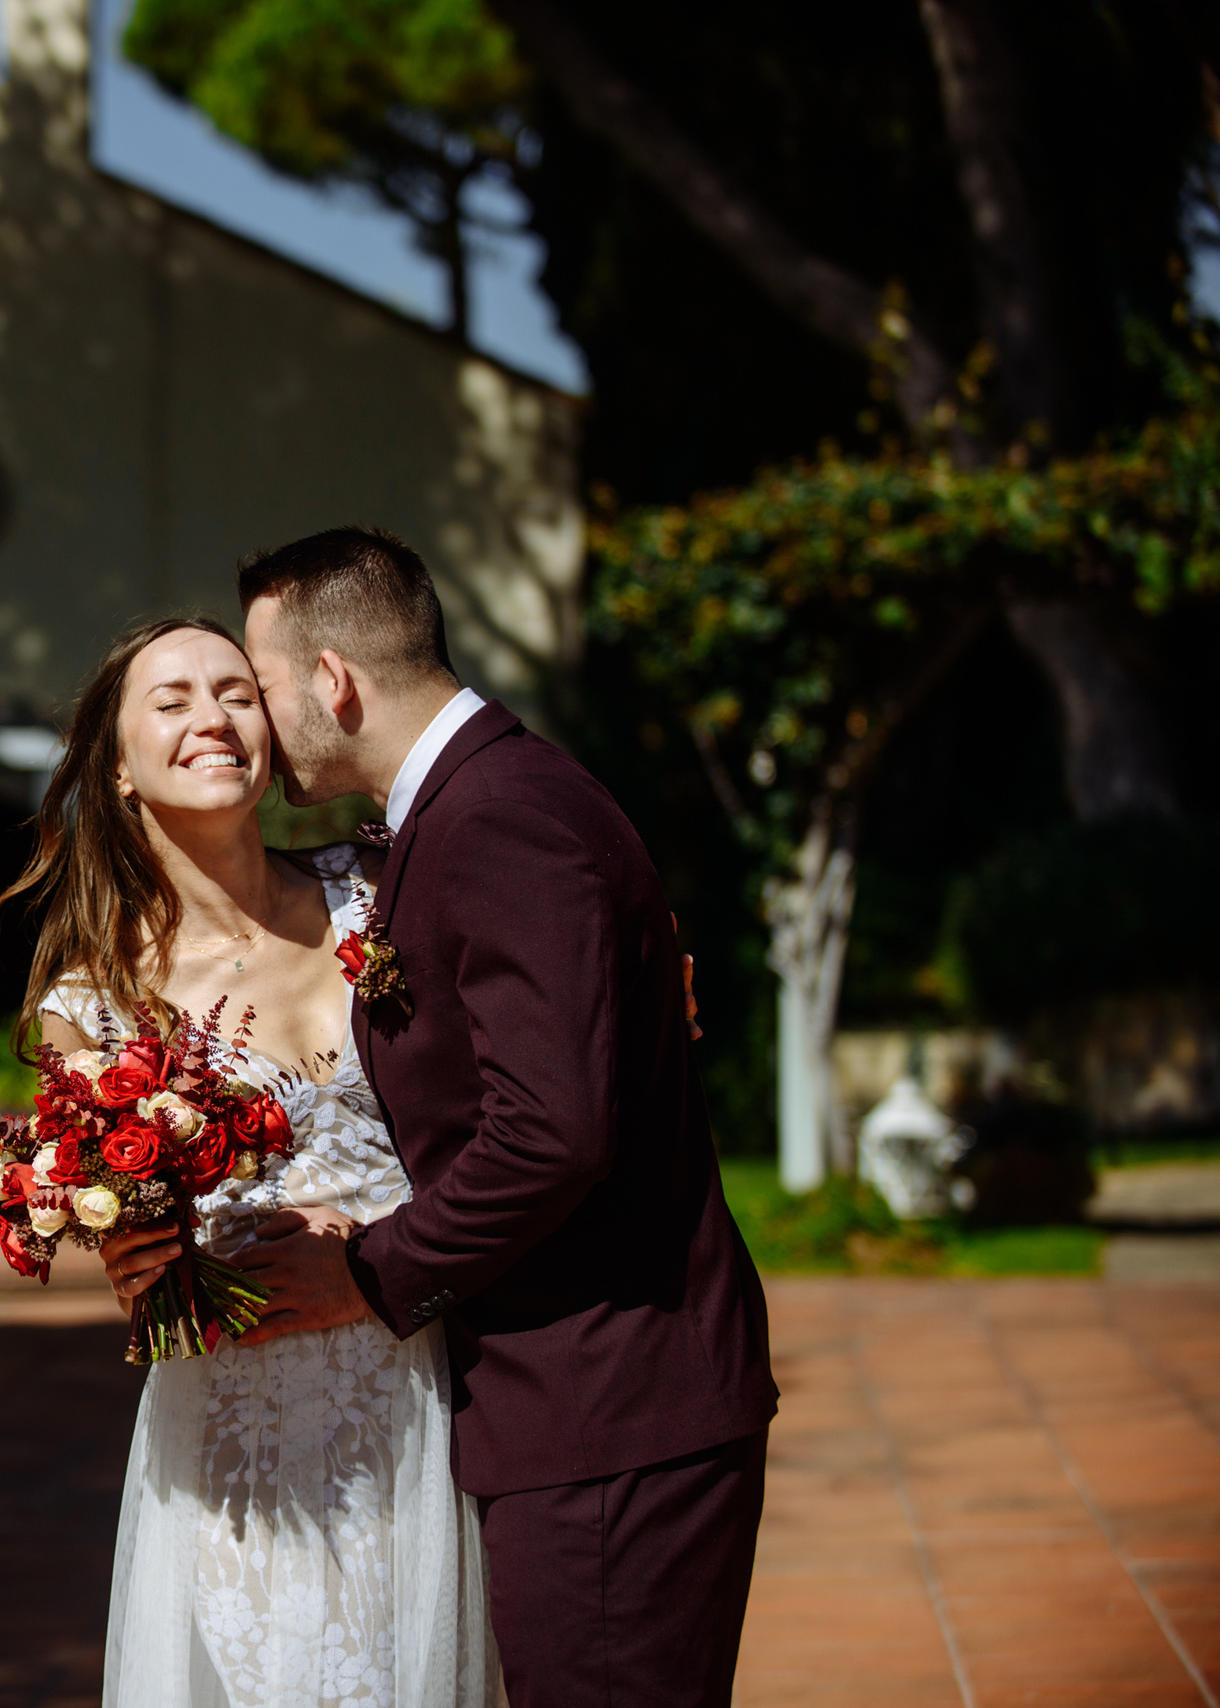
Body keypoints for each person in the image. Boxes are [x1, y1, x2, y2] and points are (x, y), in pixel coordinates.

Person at [207, 526, 776, 1707]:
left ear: (332, 680)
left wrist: (364, 1273)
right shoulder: (470, 805)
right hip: (577, 1402)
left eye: (259, 684)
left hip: (607, 1402)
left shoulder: (498, 816)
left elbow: (550, 1132)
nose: (252, 719)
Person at [1, 615, 500, 1708]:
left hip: (417, 1374)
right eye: (171, 700)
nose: (213, 719)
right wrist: (133, 1249)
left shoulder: (378, 890)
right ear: (118, 767)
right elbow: (119, 1238)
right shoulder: (94, 1001)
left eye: (236, 693)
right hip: (237, 1414)